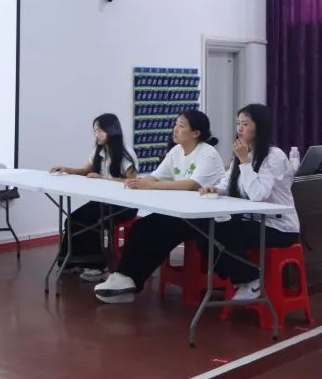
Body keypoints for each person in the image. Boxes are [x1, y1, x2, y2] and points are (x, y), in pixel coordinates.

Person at [94, 110, 225, 304]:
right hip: (182, 212)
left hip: (205, 216)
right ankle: (124, 278)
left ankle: (130, 281)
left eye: (181, 126)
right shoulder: (176, 151)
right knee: (142, 226)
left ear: (196, 133)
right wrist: (138, 182)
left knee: (160, 231)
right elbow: (155, 176)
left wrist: (150, 185)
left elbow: (190, 185)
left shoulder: (208, 154)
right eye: (176, 124)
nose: (175, 129)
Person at [198, 104, 300, 301]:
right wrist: (216, 188)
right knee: (205, 233)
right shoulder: (244, 153)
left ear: (259, 126)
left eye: (245, 124)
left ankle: (251, 280)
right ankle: (238, 277)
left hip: (278, 226)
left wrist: (244, 161)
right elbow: (229, 181)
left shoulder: (274, 156)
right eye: (238, 123)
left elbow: (258, 194)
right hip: (252, 221)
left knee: (227, 234)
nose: (240, 128)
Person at [50, 113, 139, 282]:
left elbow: (133, 182)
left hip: (124, 204)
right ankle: (71, 261)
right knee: (72, 219)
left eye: (100, 131)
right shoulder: (99, 151)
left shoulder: (126, 153)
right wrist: (66, 169)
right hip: (104, 201)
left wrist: (103, 179)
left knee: (91, 222)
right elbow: (85, 170)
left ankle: (96, 266)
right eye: (95, 131)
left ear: (112, 131)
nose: (97, 135)